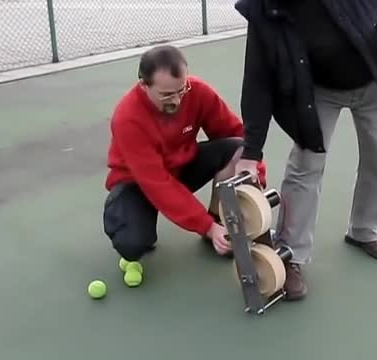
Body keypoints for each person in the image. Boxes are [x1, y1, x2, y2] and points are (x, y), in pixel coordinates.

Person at [234, 0, 377, 300]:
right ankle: (291, 255)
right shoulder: (265, 6)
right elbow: (257, 78)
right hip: (317, 92)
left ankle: (365, 230)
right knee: (305, 167)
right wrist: (251, 151)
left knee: (375, 159)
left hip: (375, 81)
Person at [102, 45, 266, 265]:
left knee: (238, 149)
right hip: (138, 183)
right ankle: (126, 213)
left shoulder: (198, 92)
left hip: (181, 167)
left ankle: (221, 220)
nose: (177, 101)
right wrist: (205, 226)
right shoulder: (127, 119)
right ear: (144, 85)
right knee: (132, 245)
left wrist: (256, 178)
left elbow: (237, 135)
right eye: (167, 94)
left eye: (181, 90)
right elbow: (157, 183)